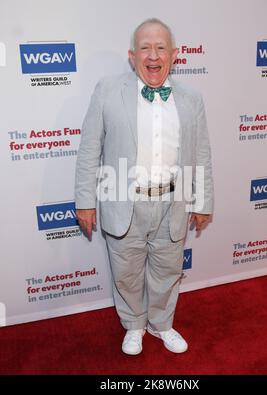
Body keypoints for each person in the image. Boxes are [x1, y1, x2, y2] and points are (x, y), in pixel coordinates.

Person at [75, 18, 213, 355]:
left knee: (167, 271)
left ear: (175, 54)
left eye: (160, 47)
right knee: (126, 272)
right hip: (124, 201)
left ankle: (162, 324)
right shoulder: (108, 90)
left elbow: (202, 154)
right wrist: (85, 201)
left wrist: (204, 202)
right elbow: (90, 148)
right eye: (145, 48)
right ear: (132, 56)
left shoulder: (192, 99)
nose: (153, 55)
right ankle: (134, 325)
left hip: (172, 202)